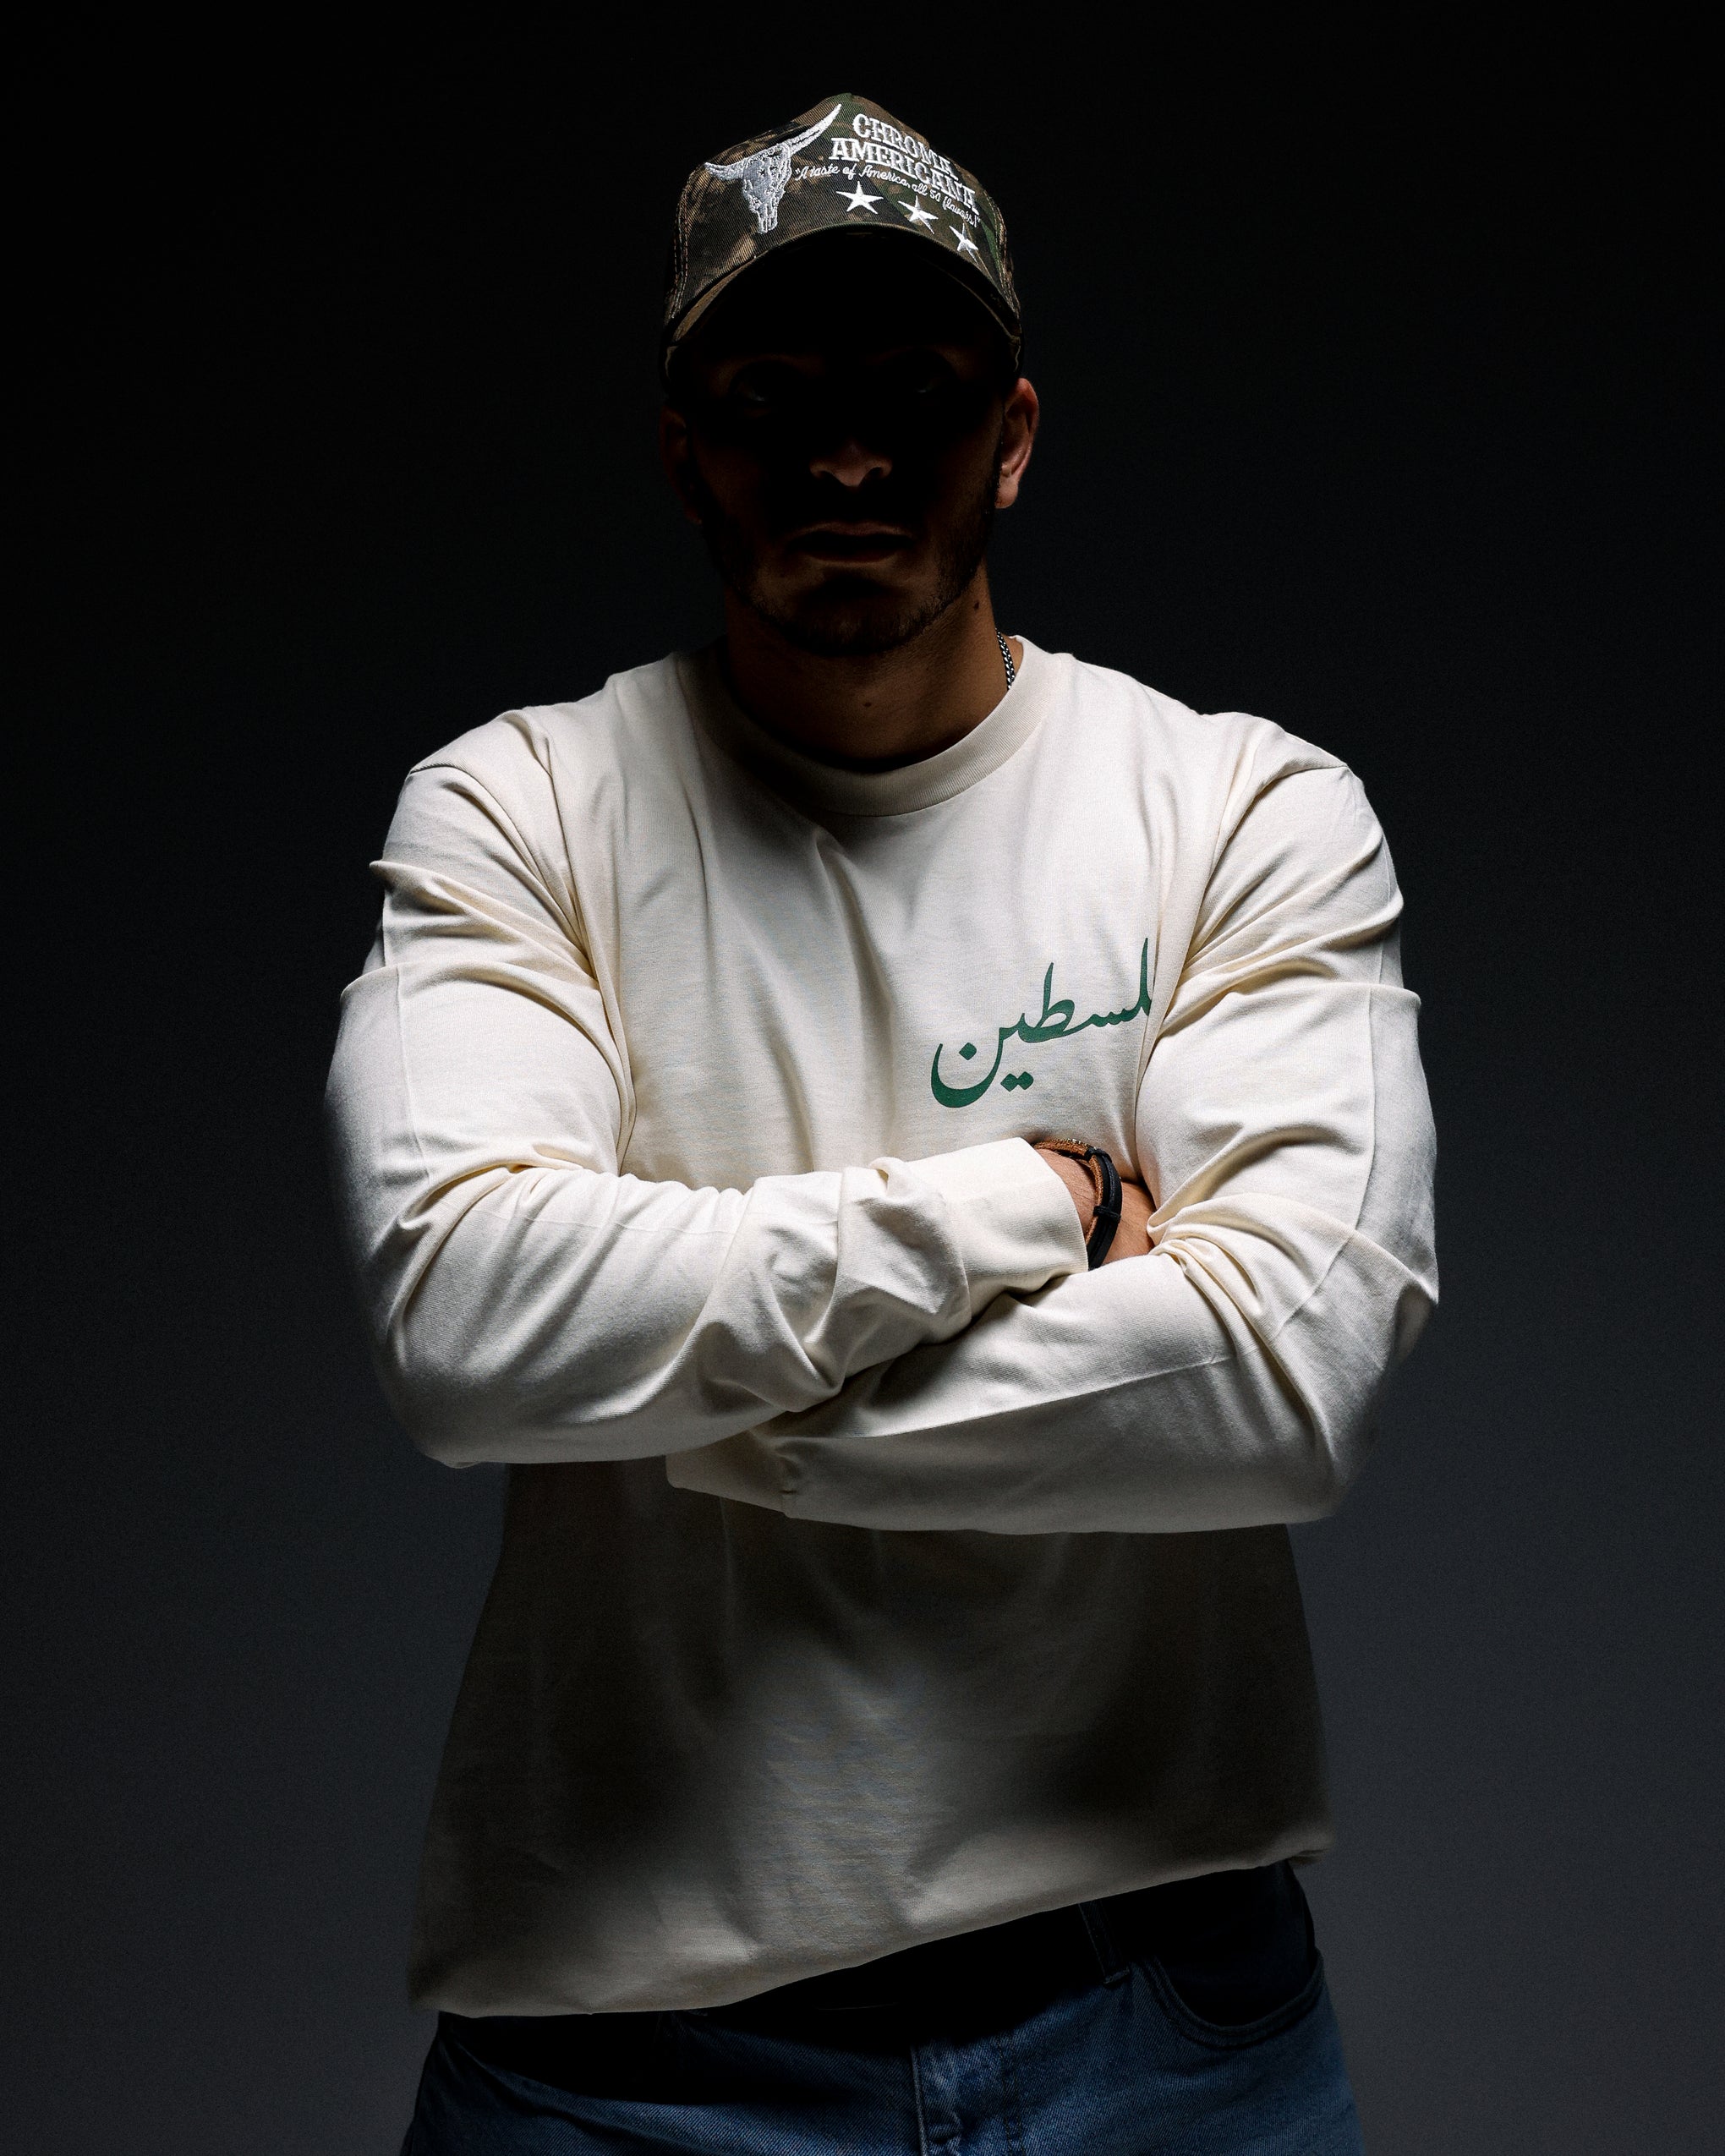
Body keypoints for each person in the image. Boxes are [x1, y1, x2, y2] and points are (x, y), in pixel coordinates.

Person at [327, 90, 1438, 2155]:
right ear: (686, 447)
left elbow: (1290, 1378)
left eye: (910, 393)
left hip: (1165, 2035)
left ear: (1008, 435)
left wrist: (697, 1405)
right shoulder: (522, 812)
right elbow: (467, 1322)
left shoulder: (1237, 813)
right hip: (631, 2064)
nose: (844, 457)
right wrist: (1028, 1202)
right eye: (771, 399)